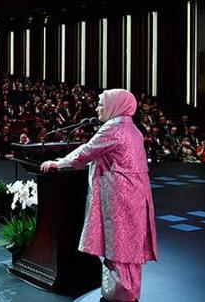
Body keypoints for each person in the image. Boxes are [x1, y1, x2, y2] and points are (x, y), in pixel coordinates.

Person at [41, 89, 158, 302]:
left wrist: (59, 163)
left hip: (119, 199)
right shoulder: (133, 130)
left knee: (117, 250)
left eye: (101, 104)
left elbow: (86, 151)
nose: (96, 109)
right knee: (130, 251)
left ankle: (117, 296)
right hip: (137, 197)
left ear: (115, 106)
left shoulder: (113, 128)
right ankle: (129, 294)